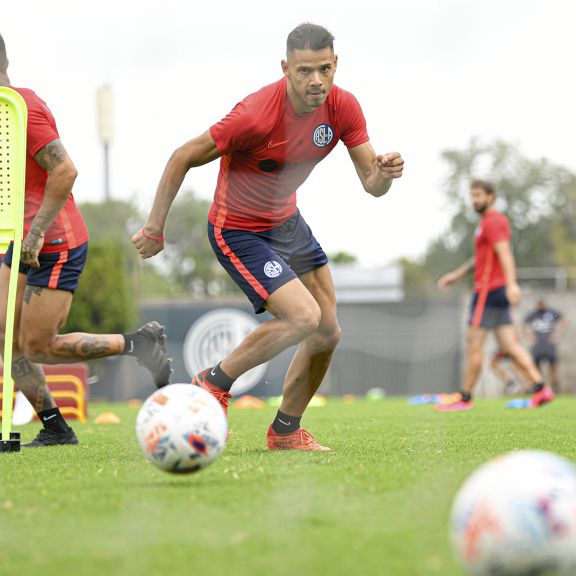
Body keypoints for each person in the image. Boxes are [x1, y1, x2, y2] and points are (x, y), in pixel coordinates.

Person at [133, 23, 404, 451]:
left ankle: (285, 431)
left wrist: (385, 174)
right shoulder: (255, 114)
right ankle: (213, 382)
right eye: (304, 71)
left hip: (287, 224)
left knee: (328, 329)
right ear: (285, 69)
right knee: (303, 316)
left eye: (324, 69)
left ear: (336, 65)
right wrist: (154, 227)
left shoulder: (344, 107)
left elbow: (371, 183)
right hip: (238, 229)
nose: (316, 80)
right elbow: (182, 156)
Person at [0, 34, 171, 447]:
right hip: (18, 238)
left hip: (53, 240)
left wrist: (37, 231)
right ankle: (56, 427)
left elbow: (65, 171)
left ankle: (138, 343)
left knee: (36, 346)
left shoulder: (23, 108)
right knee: (5, 340)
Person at [436, 180, 553, 411]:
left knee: (474, 345)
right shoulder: (485, 224)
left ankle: (465, 397)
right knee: (510, 346)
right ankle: (541, 389)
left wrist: (512, 284)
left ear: (491, 197)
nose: (475, 200)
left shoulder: (494, 221)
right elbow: (479, 258)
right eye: (472, 195)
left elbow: (505, 252)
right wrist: (456, 275)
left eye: (479, 195)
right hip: (494, 291)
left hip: (488, 291)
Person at [524, 298, 567, 392]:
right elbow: (524, 323)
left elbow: (562, 319)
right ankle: (540, 388)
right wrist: (529, 335)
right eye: (539, 304)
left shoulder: (552, 314)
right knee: (536, 366)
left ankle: (555, 388)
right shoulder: (533, 314)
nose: (540, 305)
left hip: (549, 345)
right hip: (537, 346)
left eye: (542, 303)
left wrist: (558, 334)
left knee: (553, 366)